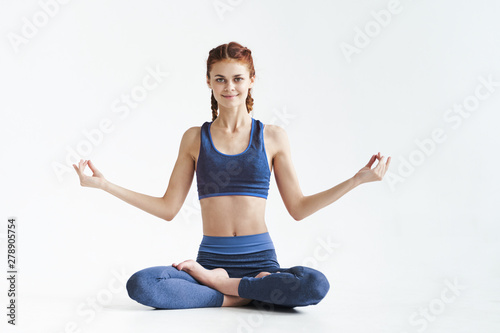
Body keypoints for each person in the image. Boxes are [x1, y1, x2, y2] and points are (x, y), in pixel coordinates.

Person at [73, 41, 391, 310]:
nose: (229, 87)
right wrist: (105, 185)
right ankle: (243, 293)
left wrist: (356, 180)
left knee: (314, 285)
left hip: (262, 264)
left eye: (237, 79)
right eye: (220, 79)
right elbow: (168, 208)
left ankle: (226, 290)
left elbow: (298, 207)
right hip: (210, 262)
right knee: (143, 285)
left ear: (251, 79)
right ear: (209, 82)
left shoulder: (272, 137)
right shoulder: (195, 138)